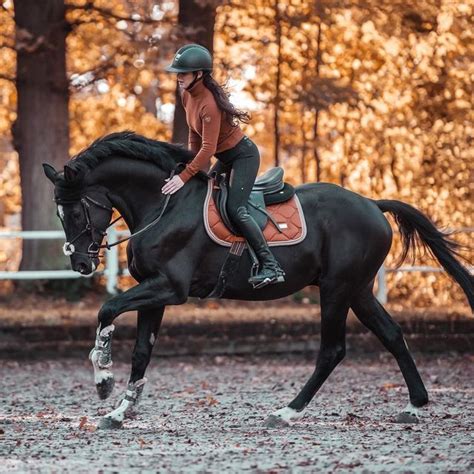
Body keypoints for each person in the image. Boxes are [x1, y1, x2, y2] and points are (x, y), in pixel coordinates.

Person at [162, 43, 285, 288]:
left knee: (234, 208)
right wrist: (185, 163)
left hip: (243, 157)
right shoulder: (187, 95)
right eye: (177, 73)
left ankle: (271, 266)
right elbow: (194, 137)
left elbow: (208, 149)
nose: (178, 77)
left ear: (198, 74)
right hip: (226, 157)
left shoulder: (209, 104)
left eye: (183, 73)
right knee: (205, 196)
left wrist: (184, 176)